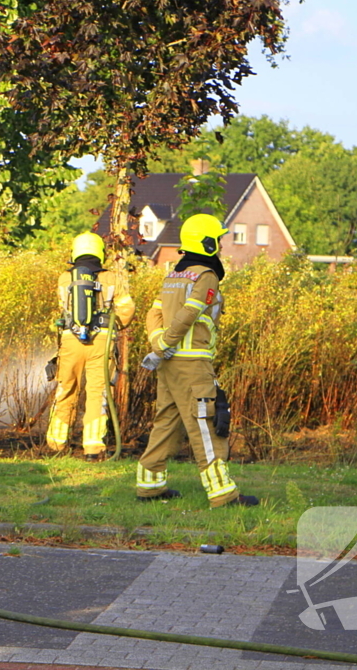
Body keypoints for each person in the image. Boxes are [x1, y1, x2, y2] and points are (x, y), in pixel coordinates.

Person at [135, 214, 257, 507]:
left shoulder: (173, 274)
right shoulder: (205, 275)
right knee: (207, 422)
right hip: (192, 364)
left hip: (168, 364)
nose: (221, 246)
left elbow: (153, 313)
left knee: (166, 421)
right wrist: (166, 342)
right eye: (218, 240)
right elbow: (190, 313)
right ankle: (223, 494)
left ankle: (149, 485)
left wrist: (158, 343)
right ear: (207, 243)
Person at [45, 232, 135, 460]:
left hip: (70, 341)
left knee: (66, 389)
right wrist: (113, 327)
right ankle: (93, 448)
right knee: (98, 393)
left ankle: (56, 444)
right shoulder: (112, 278)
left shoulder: (64, 278)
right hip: (101, 343)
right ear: (100, 252)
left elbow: (64, 310)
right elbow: (127, 309)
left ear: (75, 252)